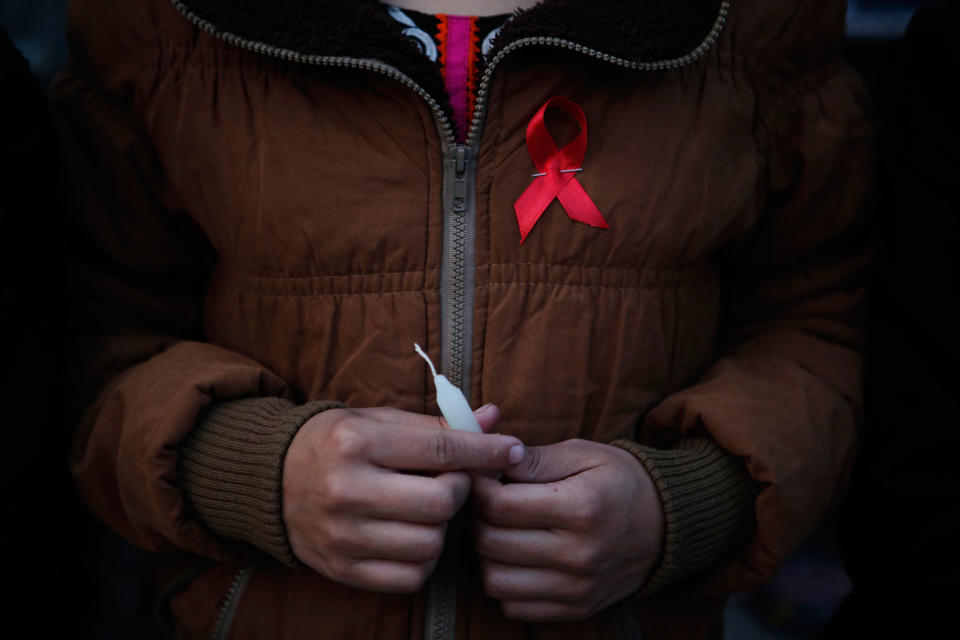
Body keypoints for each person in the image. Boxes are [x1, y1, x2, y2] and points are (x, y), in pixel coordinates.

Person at [54, 0, 872, 638]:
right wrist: (251, 471)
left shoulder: (751, 27)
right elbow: (83, 334)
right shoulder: (160, 27)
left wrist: (689, 503)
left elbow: (820, 321)